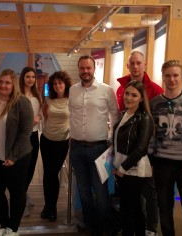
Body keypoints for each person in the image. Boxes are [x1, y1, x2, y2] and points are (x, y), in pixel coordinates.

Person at [69, 55, 119, 235]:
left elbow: (115, 116)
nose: (85, 71)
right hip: (76, 149)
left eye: (88, 68)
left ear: (94, 69)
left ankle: (104, 228)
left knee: (101, 191)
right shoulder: (73, 90)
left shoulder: (106, 90)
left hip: (99, 149)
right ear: (78, 69)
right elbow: (71, 114)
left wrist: (112, 142)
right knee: (83, 191)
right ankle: (90, 226)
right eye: (82, 68)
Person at [149, 60, 182, 236]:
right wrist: (152, 160)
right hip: (162, 163)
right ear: (162, 78)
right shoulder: (154, 103)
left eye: (176, 75)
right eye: (168, 75)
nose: (172, 79)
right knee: (164, 207)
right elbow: (152, 134)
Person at [116, 50, 163, 235]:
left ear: (145, 64)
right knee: (132, 205)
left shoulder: (154, 94)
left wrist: (123, 166)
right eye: (132, 63)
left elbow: (145, 141)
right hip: (126, 158)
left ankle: (150, 229)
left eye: (139, 63)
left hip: (143, 157)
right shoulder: (121, 92)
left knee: (148, 196)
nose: (135, 66)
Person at [0, 69, 34, 236]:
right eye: (1, 82)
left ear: (13, 84)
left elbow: (25, 132)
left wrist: (13, 156)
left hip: (17, 158)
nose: (3, 85)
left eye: (7, 82)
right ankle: (3, 224)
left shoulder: (22, 102)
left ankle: (13, 228)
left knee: (17, 192)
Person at [112, 80, 154, 236]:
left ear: (142, 98)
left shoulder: (145, 118)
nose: (129, 98)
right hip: (122, 169)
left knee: (127, 211)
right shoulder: (124, 114)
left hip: (135, 171)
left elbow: (141, 149)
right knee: (135, 209)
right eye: (127, 93)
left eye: (134, 95)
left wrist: (122, 168)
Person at [40, 71, 72, 222]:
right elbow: (46, 116)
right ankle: (47, 206)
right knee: (47, 174)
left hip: (62, 142)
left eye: (60, 83)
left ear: (65, 84)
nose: (58, 86)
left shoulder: (71, 100)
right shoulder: (48, 100)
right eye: (55, 83)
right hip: (46, 140)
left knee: (53, 173)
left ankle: (52, 208)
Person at [19, 67, 42, 214]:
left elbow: (40, 114)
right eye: (28, 76)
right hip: (22, 136)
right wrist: (29, 122)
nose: (31, 79)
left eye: (33, 77)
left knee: (31, 168)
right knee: (22, 168)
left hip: (34, 136)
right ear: (23, 78)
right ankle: (20, 199)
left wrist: (38, 118)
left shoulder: (37, 95)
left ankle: (23, 194)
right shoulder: (17, 96)